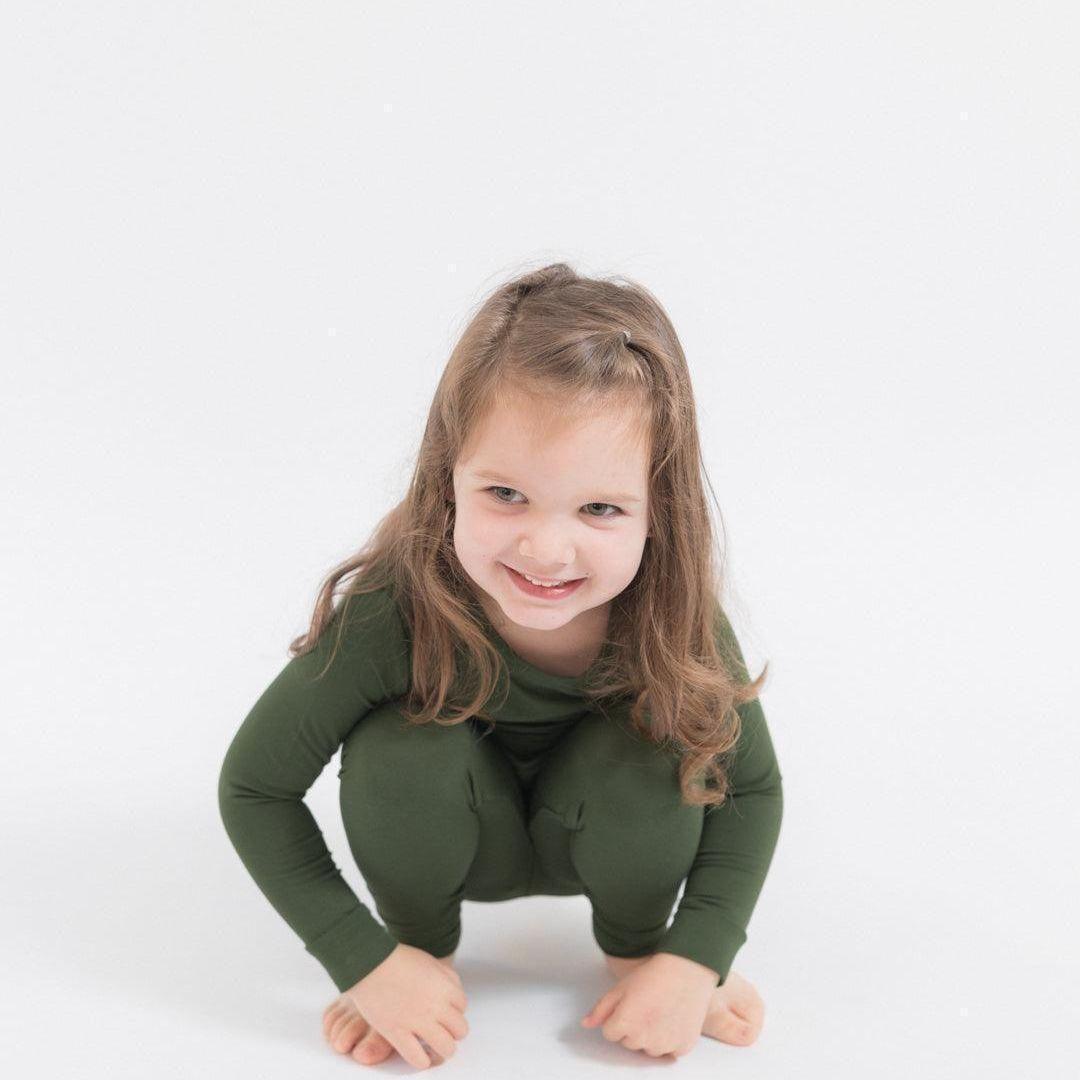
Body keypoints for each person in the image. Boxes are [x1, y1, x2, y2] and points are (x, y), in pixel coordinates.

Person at [217, 261, 784, 1068]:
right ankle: (420, 959)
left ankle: (639, 956)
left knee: (655, 751)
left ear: (659, 510)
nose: (545, 551)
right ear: (448, 477)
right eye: (506, 495)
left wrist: (698, 955)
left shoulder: (672, 618)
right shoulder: (395, 608)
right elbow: (254, 787)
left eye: (600, 508)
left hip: (610, 839)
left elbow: (752, 789)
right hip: (447, 837)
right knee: (400, 746)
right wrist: (363, 959)